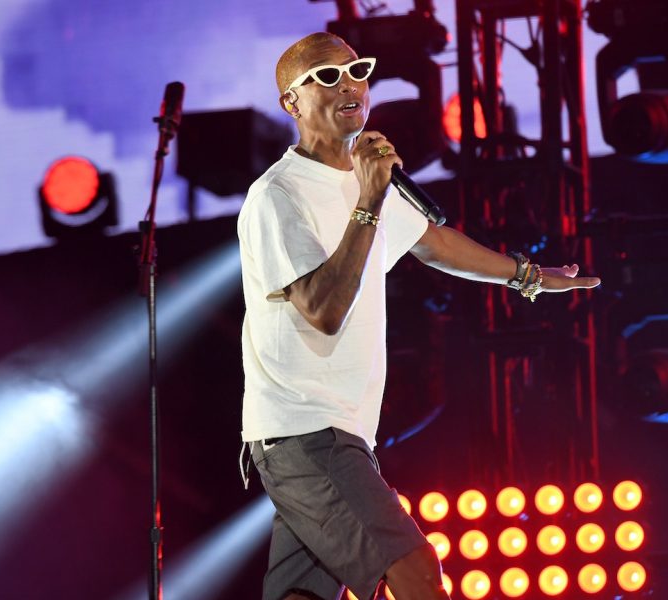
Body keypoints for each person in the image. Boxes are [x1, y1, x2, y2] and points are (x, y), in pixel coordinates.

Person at [237, 32, 600, 600]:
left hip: (332, 431)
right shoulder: (278, 195)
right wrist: (368, 204)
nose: (350, 84)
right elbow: (324, 310)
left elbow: (433, 243)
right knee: (415, 571)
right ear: (292, 102)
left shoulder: (367, 182)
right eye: (327, 78)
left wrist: (526, 275)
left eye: (356, 71)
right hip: (306, 429)